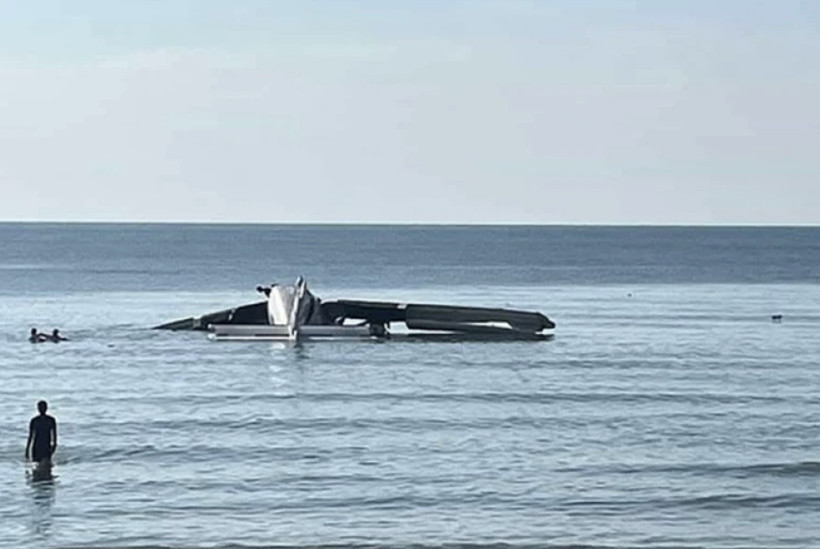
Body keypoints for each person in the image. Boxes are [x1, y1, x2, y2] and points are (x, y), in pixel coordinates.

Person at [26, 400, 57, 466]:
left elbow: (54, 435)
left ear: (46, 408)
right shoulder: (34, 421)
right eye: (40, 407)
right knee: (36, 466)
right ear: (38, 408)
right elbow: (31, 436)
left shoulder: (51, 420)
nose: (42, 409)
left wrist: (54, 446)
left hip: (46, 446)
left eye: (43, 407)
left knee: (47, 466)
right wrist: (27, 449)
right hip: (36, 447)